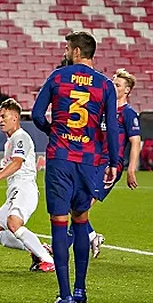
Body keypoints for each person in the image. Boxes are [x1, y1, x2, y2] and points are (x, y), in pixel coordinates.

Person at [32, 31, 119, 303]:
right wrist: (115, 162)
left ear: (77, 52)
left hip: (60, 158)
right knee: (80, 220)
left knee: (59, 224)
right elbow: (113, 128)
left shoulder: (57, 77)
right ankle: (81, 291)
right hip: (89, 161)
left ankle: (65, 295)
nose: (66, 52)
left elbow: (36, 114)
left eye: (68, 48)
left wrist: (52, 131)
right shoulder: (105, 85)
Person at [67, 68, 141, 259]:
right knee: (74, 203)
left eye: (117, 85)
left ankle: (60, 247)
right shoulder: (104, 110)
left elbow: (135, 141)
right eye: (112, 83)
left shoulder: (128, 113)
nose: (112, 87)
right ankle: (92, 235)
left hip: (108, 166)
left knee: (80, 207)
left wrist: (131, 169)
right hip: (91, 162)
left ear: (127, 91)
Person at [0, 98, 55, 272]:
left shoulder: (20, 137)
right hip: (13, 192)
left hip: (24, 189)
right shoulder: (10, 141)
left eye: (3, 116)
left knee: (13, 223)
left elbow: (17, 164)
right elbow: (11, 166)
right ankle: (38, 248)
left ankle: (48, 260)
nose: (0, 120)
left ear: (15, 117)